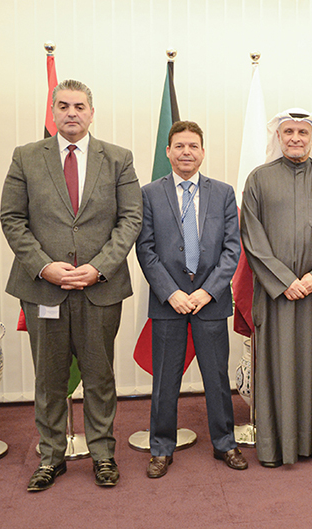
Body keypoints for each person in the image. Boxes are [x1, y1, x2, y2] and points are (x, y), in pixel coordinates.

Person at [0, 79, 142, 491]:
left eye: (79, 106)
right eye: (63, 106)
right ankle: (51, 457)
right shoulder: (26, 157)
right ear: (53, 112)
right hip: (44, 289)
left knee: (99, 376)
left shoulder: (118, 158)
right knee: (49, 379)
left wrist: (99, 268)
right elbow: (12, 218)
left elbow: (131, 219)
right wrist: (44, 267)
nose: (71, 113)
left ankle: (103, 455)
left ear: (92, 112)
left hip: (100, 288)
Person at [239, 108, 312, 467]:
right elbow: (252, 239)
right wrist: (284, 281)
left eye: (302, 132)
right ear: (278, 136)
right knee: (277, 369)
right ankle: (275, 447)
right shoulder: (258, 180)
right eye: (288, 131)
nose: (295, 138)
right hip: (276, 297)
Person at [136, 121, 247, 478]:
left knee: (216, 377)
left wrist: (206, 291)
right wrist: (171, 293)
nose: (187, 152)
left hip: (210, 301)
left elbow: (232, 249)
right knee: (165, 380)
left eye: (193, 146)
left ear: (203, 152)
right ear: (168, 151)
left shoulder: (223, 193)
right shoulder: (149, 193)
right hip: (168, 303)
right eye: (180, 146)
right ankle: (161, 448)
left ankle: (225, 443)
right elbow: (145, 249)